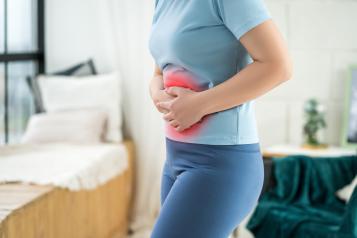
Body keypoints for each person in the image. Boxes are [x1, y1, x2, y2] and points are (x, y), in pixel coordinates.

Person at [148, 0, 293, 237]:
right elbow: (159, 71)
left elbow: (279, 66)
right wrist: (156, 93)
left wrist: (198, 105)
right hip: (175, 158)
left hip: (221, 163)